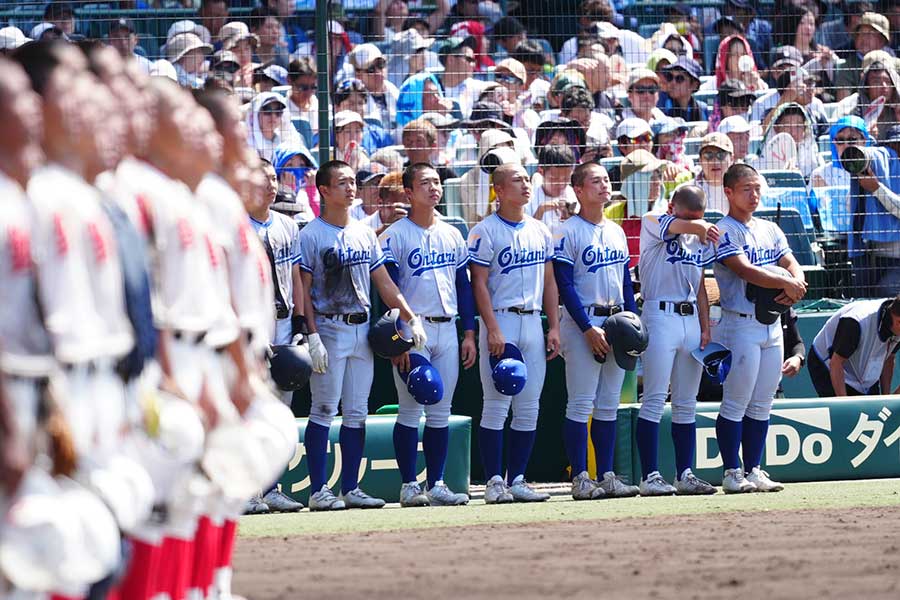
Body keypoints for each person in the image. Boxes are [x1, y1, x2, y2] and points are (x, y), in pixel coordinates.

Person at [298, 160, 427, 511]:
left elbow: (383, 281)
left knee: (357, 411)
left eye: (352, 182)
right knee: (323, 409)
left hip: (361, 329)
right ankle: (319, 490)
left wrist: (409, 317)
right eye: (342, 183)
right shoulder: (311, 234)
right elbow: (303, 290)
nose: (350, 188)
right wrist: (311, 334)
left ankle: (351, 488)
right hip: (327, 326)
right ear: (324, 190)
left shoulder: (364, 233)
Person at [380, 163, 475, 507]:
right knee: (411, 407)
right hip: (412, 329)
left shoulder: (452, 233)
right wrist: (397, 339)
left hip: (447, 328)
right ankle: (408, 484)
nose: (434, 188)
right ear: (408, 192)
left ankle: (435, 483)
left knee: (440, 409)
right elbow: (385, 289)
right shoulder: (395, 234)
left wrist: (469, 332)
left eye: (436, 182)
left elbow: (464, 287)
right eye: (425, 183)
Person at [467, 162, 560, 503]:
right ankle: (494, 482)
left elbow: (550, 281)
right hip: (502, 320)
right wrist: (491, 329)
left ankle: (517, 479)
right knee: (495, 405)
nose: (525, 184)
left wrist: (554, 326)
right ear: (499, 190)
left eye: (526, 179)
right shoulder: (484, 230)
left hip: (533, 320)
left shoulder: (540, 229)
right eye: (517, 180)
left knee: (529, 406)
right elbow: (478, 283)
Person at [712, 163, 808, 493]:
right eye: (745, 189)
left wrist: (796, 278)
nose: (753, 195)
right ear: (728, 192)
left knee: (763, 402)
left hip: (772, 324)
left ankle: (754, 468)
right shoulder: (724, 229)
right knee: (736, 401)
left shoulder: (769, 227)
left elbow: (789, 259)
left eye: (757, 188)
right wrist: (788, 281)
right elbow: (744, 269)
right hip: (739, 324)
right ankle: (731, 472)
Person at [552, 161, 639, 500]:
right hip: (582, 322)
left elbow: (626, 284)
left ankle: (607, 475)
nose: (604, 186)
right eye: (595, 181)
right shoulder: (566, 230)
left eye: (606, 180)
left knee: (608, 406)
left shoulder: (615, 230)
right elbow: (563, 284)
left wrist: (634, 321)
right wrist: (587, 328)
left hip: (616, 323)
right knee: (580, 404)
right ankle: (581, 478)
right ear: (578, 189)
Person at [637, 185, 719, 495]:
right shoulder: (653, 221)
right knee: (655, 399)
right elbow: (677, 225)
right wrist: (697, 225)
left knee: (686, 403)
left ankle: (684, 473)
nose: (694, 222)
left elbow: (699, 283)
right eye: (688, 216)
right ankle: (649, 476)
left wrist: (705, 325)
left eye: (698, 217)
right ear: (672, 206)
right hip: (659, 313)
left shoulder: (697, 237)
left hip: (690, 320)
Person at [809, 296, 900, 397]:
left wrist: (885, 398)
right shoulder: (855, 322)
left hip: (863, 373)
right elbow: (836, 363)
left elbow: (889, 357)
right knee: (844, 411)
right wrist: (846, 405)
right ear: (898, 321)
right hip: (827, 364)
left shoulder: (895, 320)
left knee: (874, 412)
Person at [834, 12, 892, 101]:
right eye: (861, 33)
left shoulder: (893, 64)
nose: (863, 39)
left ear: (882, 40)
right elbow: (843, 103)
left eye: (869, 34)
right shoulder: (847, 67)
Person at [809, 115, 872, 189]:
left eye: (852, 140)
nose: (846, 145)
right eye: (840, 140)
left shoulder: (877, 171)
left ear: (864, 141)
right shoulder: (820, 175)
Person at [528, 145, 578, 232]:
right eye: (554, 179)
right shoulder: (528, 199)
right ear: (541, 171)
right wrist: (541, 211)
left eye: (566, 179)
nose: (561, 185)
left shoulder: (575, 194)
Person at [245, 91, 302, 162]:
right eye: (267, 111)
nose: (273, 117)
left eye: (278, 112)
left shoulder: (289, 140)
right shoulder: (246, 144)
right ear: (255, 115)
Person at [657, 57, 709, 122]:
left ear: (694, 85)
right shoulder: (661, 104)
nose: (673, 82)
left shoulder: (702, 109)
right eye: (670, 77)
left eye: (679, 78)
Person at [695, 132, 735, 214]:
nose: (715, 162)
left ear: (732, 158)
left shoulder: (747, 187)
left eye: (721, 155)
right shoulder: (686, 190)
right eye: (708, 156)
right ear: (700, 160)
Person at [286, 56, 320, 139]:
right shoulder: (282, 110)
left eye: (313, 87)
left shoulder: (320, 106)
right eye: (303, 87)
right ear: (289, 81)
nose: (309, 93)